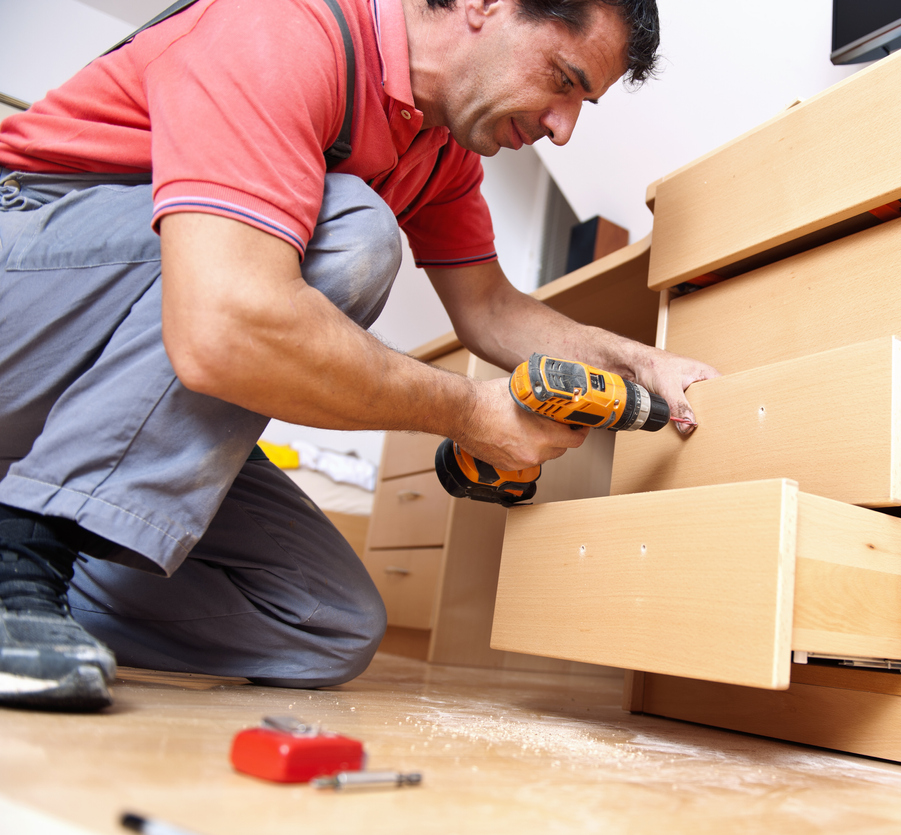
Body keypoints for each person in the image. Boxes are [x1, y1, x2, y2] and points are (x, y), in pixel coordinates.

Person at [0, 0, 717, 712]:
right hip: (28, 286)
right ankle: (18, 565)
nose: (563, 128)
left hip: (88, 381)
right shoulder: (281, 27)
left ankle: (37, 572)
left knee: (323, 623)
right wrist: (468, 411)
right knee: (348, 232)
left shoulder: (440, 148)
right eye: (563, 80)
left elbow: (491, 309)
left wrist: (640, 362)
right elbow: (222, 328)